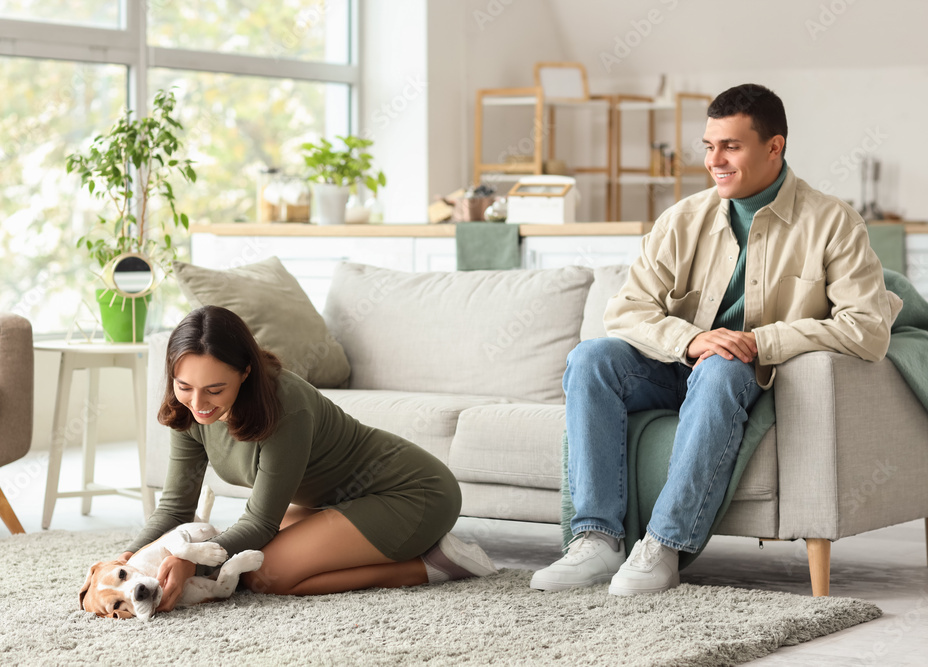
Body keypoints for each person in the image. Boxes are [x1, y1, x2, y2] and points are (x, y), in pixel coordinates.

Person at [531, 83, 901, 596]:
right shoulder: (682, 219)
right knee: (592, 357)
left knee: (723, 366)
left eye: (730, 146)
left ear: (775, 147)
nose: (714, 160)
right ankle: (596, 539)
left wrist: (763, 342)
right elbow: (626, 309)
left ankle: (663, 544)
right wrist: (692, 340)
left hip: (746, 373)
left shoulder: (832, 223)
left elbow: (867, 328)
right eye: (709, 146)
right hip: (676, 364)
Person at [123, 305, 496, 610]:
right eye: (184, 386)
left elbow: (260, 521)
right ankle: (383, 547)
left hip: (411, 494)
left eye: (215, 390)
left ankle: (431, 563)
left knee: (264, 576)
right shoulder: (190, 410)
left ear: (246, 373)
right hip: (337, 503)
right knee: (241, 555)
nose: (199, 404)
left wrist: (193, 561)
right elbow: (175, 507)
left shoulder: (286, 406)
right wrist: (124, 562)